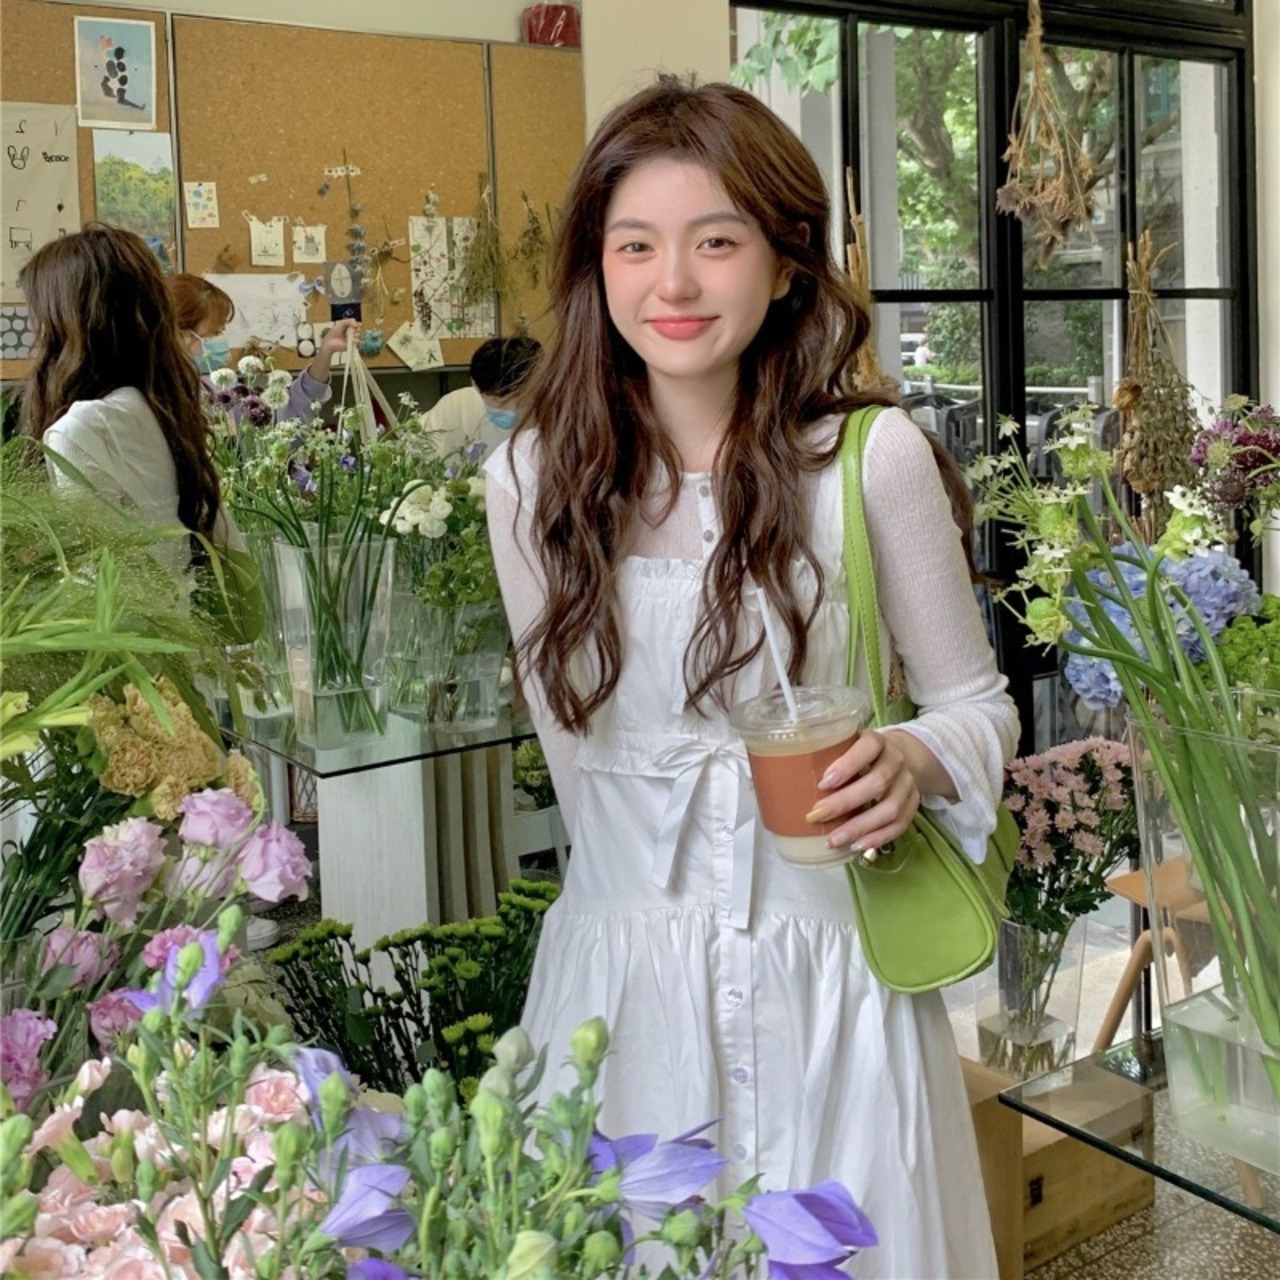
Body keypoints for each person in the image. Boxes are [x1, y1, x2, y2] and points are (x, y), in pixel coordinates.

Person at [484, 78, 1018, 1278]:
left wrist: (912, 757)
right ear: (595, 266)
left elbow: (976, 705)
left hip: (832, 984)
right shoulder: (529, 485)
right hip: (616, 998)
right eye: (635, 245)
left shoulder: (869, 462)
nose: (672, 284)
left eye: (715, 242)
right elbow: (574, 768)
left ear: (783, 263)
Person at [20, 226, 238, 572]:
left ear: (65, 322)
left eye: (37, 314)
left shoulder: (82, 428)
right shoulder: (157, 407)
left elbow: (97, 579)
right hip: (180, 604)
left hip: (138, 608)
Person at [170, 273, 358, 420]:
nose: (217, 341)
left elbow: (284, 416)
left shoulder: (214, 391)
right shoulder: (159, 404)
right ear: (179, 333)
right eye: (213, 333)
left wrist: (326, 352)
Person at [420, 335, 542, 456]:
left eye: (522, 400)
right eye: (500, 402)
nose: (512, 409)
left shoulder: (547, 410)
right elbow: (416, 442)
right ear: (476, 386)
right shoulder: (457, 406)